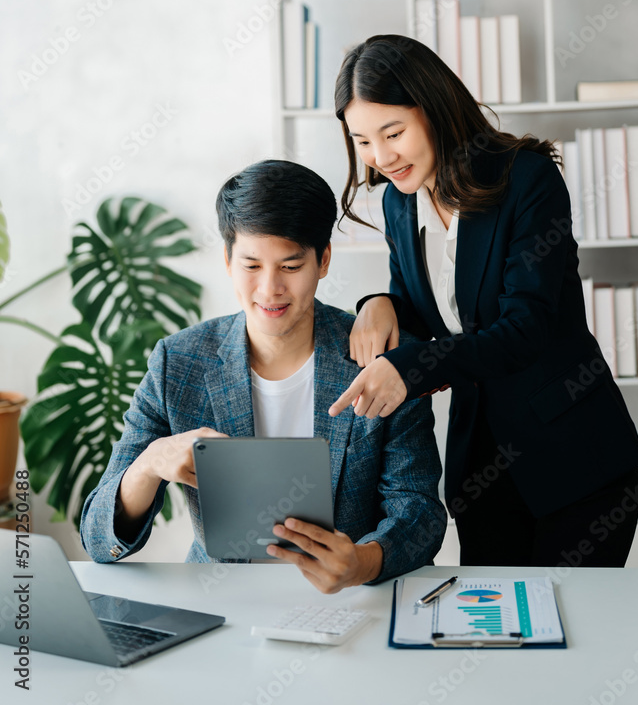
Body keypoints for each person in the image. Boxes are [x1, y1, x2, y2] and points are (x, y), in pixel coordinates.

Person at [328, 34, 638, 568]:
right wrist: (379, 301)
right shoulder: (399, 204)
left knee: (571, 640)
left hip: (574, 459)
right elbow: (424, 306)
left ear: (434, 110)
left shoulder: (526, 179)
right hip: (482, 468)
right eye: (362, 140)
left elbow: (526, 327)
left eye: (393, 132)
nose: (381, 158)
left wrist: (410, 369)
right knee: (494, 634)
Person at [80, 159, 446, 592]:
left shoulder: (382, 361)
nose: (270, 289)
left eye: (290, 267)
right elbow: (97, 538)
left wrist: (363, 562)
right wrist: (150, 464)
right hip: (222, 598)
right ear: (228, 260)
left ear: (323, 259)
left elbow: (419, 510)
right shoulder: (177, 363)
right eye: (251, 266)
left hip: (352, 602)